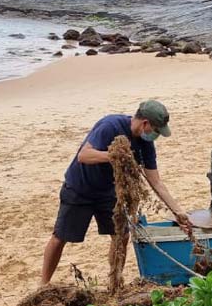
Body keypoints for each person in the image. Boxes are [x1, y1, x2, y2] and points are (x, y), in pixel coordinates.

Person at [40, 100, 192, 285]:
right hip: (80, 188)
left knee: (121, 235)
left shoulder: (145, 145)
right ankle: (43, 283)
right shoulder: (110, 126)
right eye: (156, 130)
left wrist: (178, 211)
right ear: (145, 123)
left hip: (108, 192)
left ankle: (115, 281)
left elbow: (156, 181)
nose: (156, 135)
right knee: (60, 237)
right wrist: (114, 155)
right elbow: (84, 156)